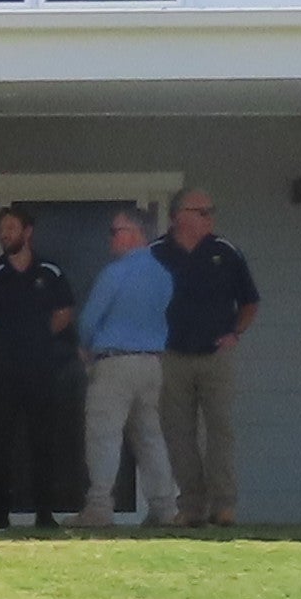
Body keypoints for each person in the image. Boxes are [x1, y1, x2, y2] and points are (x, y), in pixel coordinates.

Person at [0, 205, 82, 529]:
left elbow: (65, 312)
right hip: (2, 370)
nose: (4, 234)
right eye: (2, 229)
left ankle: (45, 513)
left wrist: (38, 337)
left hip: (41, 370)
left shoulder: (50, 272)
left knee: (43, 440)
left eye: (11, 228)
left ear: (27, 231)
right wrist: (5, 337)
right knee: (0, 441)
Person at [161, 188, 265, 530]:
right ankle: (191, 507)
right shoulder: (156, 254)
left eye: (211, 211)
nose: (210, 218)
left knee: (220, 431)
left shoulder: (226, 252)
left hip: (215, 357)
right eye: (202, 212)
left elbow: (250, 301)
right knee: (178, 433)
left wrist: (235, 332)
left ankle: (224, 506)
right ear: (178, 216)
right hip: (171, 356)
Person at [79, 204, 183, 529]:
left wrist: (86, 348)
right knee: (151, 437)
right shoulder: (164, 276)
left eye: (116, 231)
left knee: (104, 435)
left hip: (115, 362)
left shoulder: (115, 273)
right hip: (152, 364)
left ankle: (99, 507)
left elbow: (89, 320)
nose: (111, 238)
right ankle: (165, 508)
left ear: (136, 234)